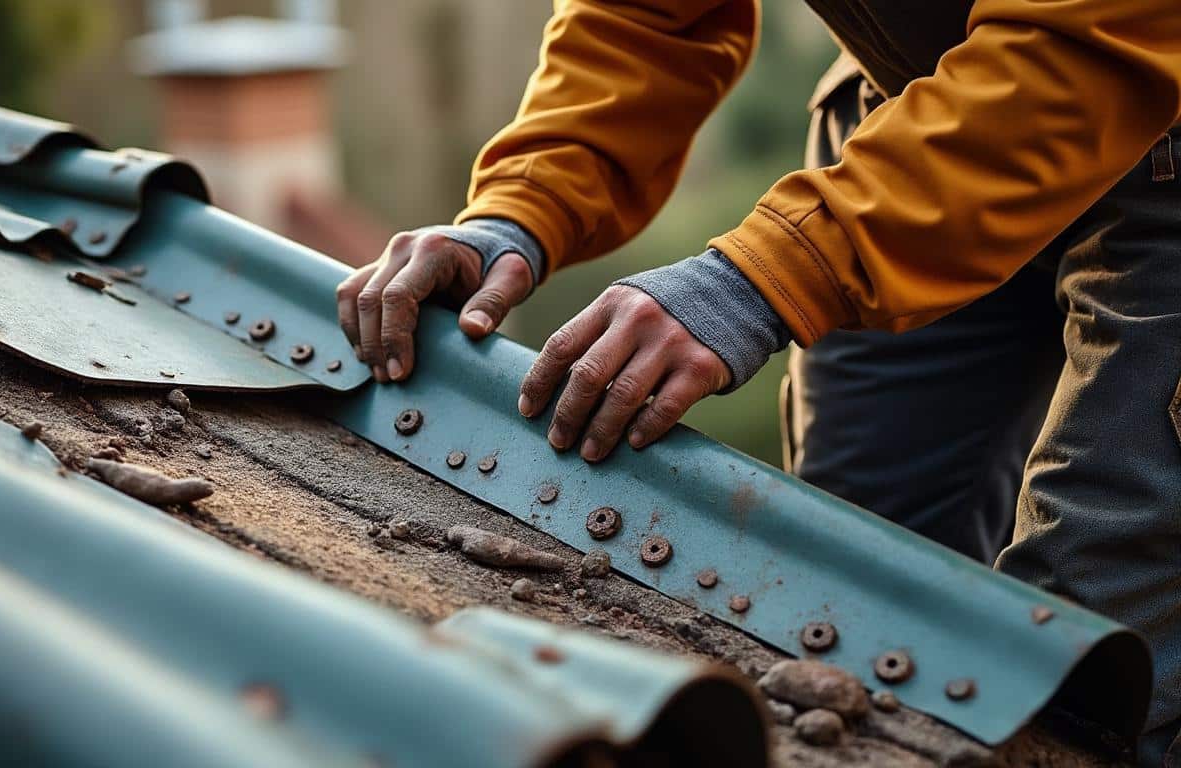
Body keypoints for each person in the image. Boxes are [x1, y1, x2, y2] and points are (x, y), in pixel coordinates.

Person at [334, 1, 1181, 761]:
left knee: (1093, 678)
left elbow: (1095, 39)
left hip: (1146, 110)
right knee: (839, 602)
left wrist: (776, 271)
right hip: (922, 118)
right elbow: (645, 17)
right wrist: (521, 206)